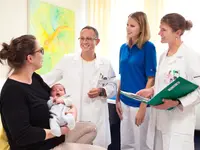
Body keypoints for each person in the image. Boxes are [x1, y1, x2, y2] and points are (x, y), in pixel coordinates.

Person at [0, 35, 97, 150]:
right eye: (41, 51)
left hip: (55, 137)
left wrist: (72, 111)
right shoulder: (12, 91)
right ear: (30, 58)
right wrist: (58, 131)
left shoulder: (34, 78)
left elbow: (55, 99)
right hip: (39, 145)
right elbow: (22, 136)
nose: (43, 54)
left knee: (91, 128)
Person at [42, 26, 117, 148]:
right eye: (82, 38)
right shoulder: (67, 60)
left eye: (88, 38)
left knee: (96, 147)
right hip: (74, 117)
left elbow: (113, 85)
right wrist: (27, 79)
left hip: (96, 117)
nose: (84, 42)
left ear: (97, 41)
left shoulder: (105, 63)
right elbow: (49, 77)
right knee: (73, 146)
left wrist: (102, 91)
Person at [137, 13, 200, 150]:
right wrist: (151, 90)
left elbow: (198, 90)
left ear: (177, 32)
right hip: (160, 120)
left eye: (163, 30)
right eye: (160, 29)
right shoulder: (163, 56)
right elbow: (164, 82)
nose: (159, 33)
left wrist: (177, 102)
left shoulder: (191, 56)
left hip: (179, 122)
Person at [115, 11, 157, 150]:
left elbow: (151, 78)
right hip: (125, 102)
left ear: (141, 27)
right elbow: (122, 76)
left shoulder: (148, 47)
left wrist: (143, 107)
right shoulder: (123, 48)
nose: (128, 28)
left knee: (142, 144)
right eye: (127, 25)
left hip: (140, 104)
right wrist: (117, 100)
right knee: (126, 143)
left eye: (132, 25)